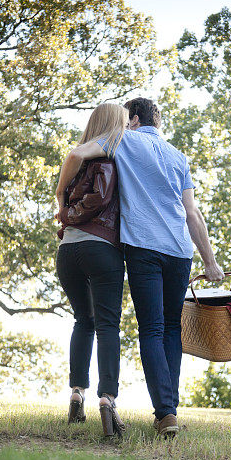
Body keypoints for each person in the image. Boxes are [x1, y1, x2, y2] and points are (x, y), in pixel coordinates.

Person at [56, 97, 223, 437]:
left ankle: (165, 413)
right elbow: (192, 213)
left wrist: (61, 200)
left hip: (143, 248)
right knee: (171, 330)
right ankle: (168, 412)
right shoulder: (179, 157)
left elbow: (77, 155)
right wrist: (211, 261)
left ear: (131, 119)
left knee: (151, 328)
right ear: (157, 121)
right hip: (179, 249)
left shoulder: (122, 138)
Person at [55, 102, 128, 436]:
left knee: (83, 320)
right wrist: (68, 211)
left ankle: (76, 393)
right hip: (100, 249)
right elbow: (98, 199)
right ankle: (107, 398)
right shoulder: (108, 159)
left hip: (67, 251)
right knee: (108, 325)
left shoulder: (79, 164)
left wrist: (62, 207)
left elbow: (70, 201)